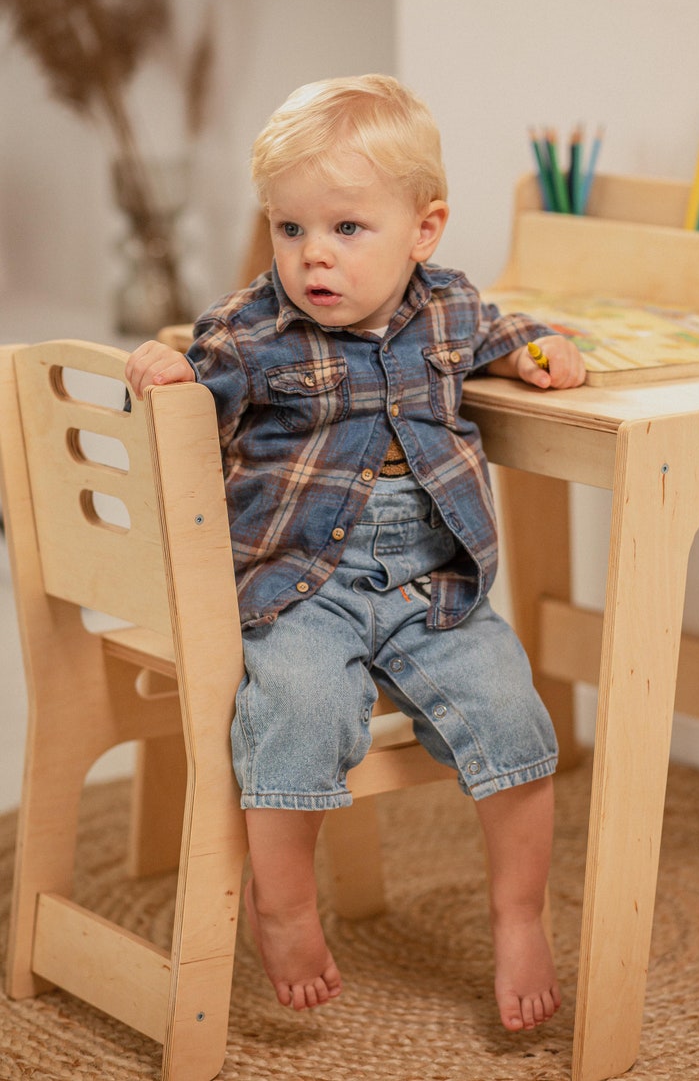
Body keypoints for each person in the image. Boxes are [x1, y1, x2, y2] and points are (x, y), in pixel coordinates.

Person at [126, 74, 585, 1034]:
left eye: (345, 228)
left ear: (423, 230)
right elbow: (188, 410)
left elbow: (511, 336)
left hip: (434, 587)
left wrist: (544, 352)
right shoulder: (249, 332)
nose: (313, 256)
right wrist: (167, 376)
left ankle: (519, 915)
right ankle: (285, 904)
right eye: (290, 230)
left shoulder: (450, 310)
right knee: (295, 708)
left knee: (516, 716)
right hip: (301, 586)